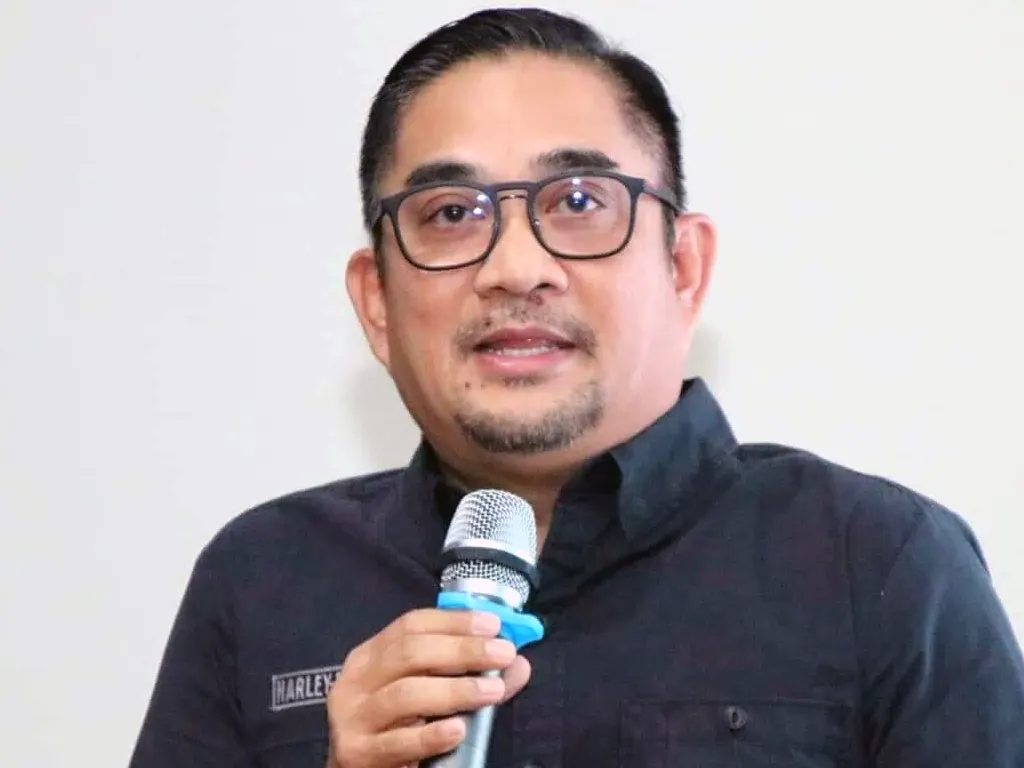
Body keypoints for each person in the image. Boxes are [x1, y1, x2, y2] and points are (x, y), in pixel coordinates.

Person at [128, 7, 1024, 768]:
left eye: (580, 201)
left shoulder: (879, 565)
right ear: (376, 303)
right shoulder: (261, 582)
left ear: (683, 268)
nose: (516, 268)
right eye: (452, 214)